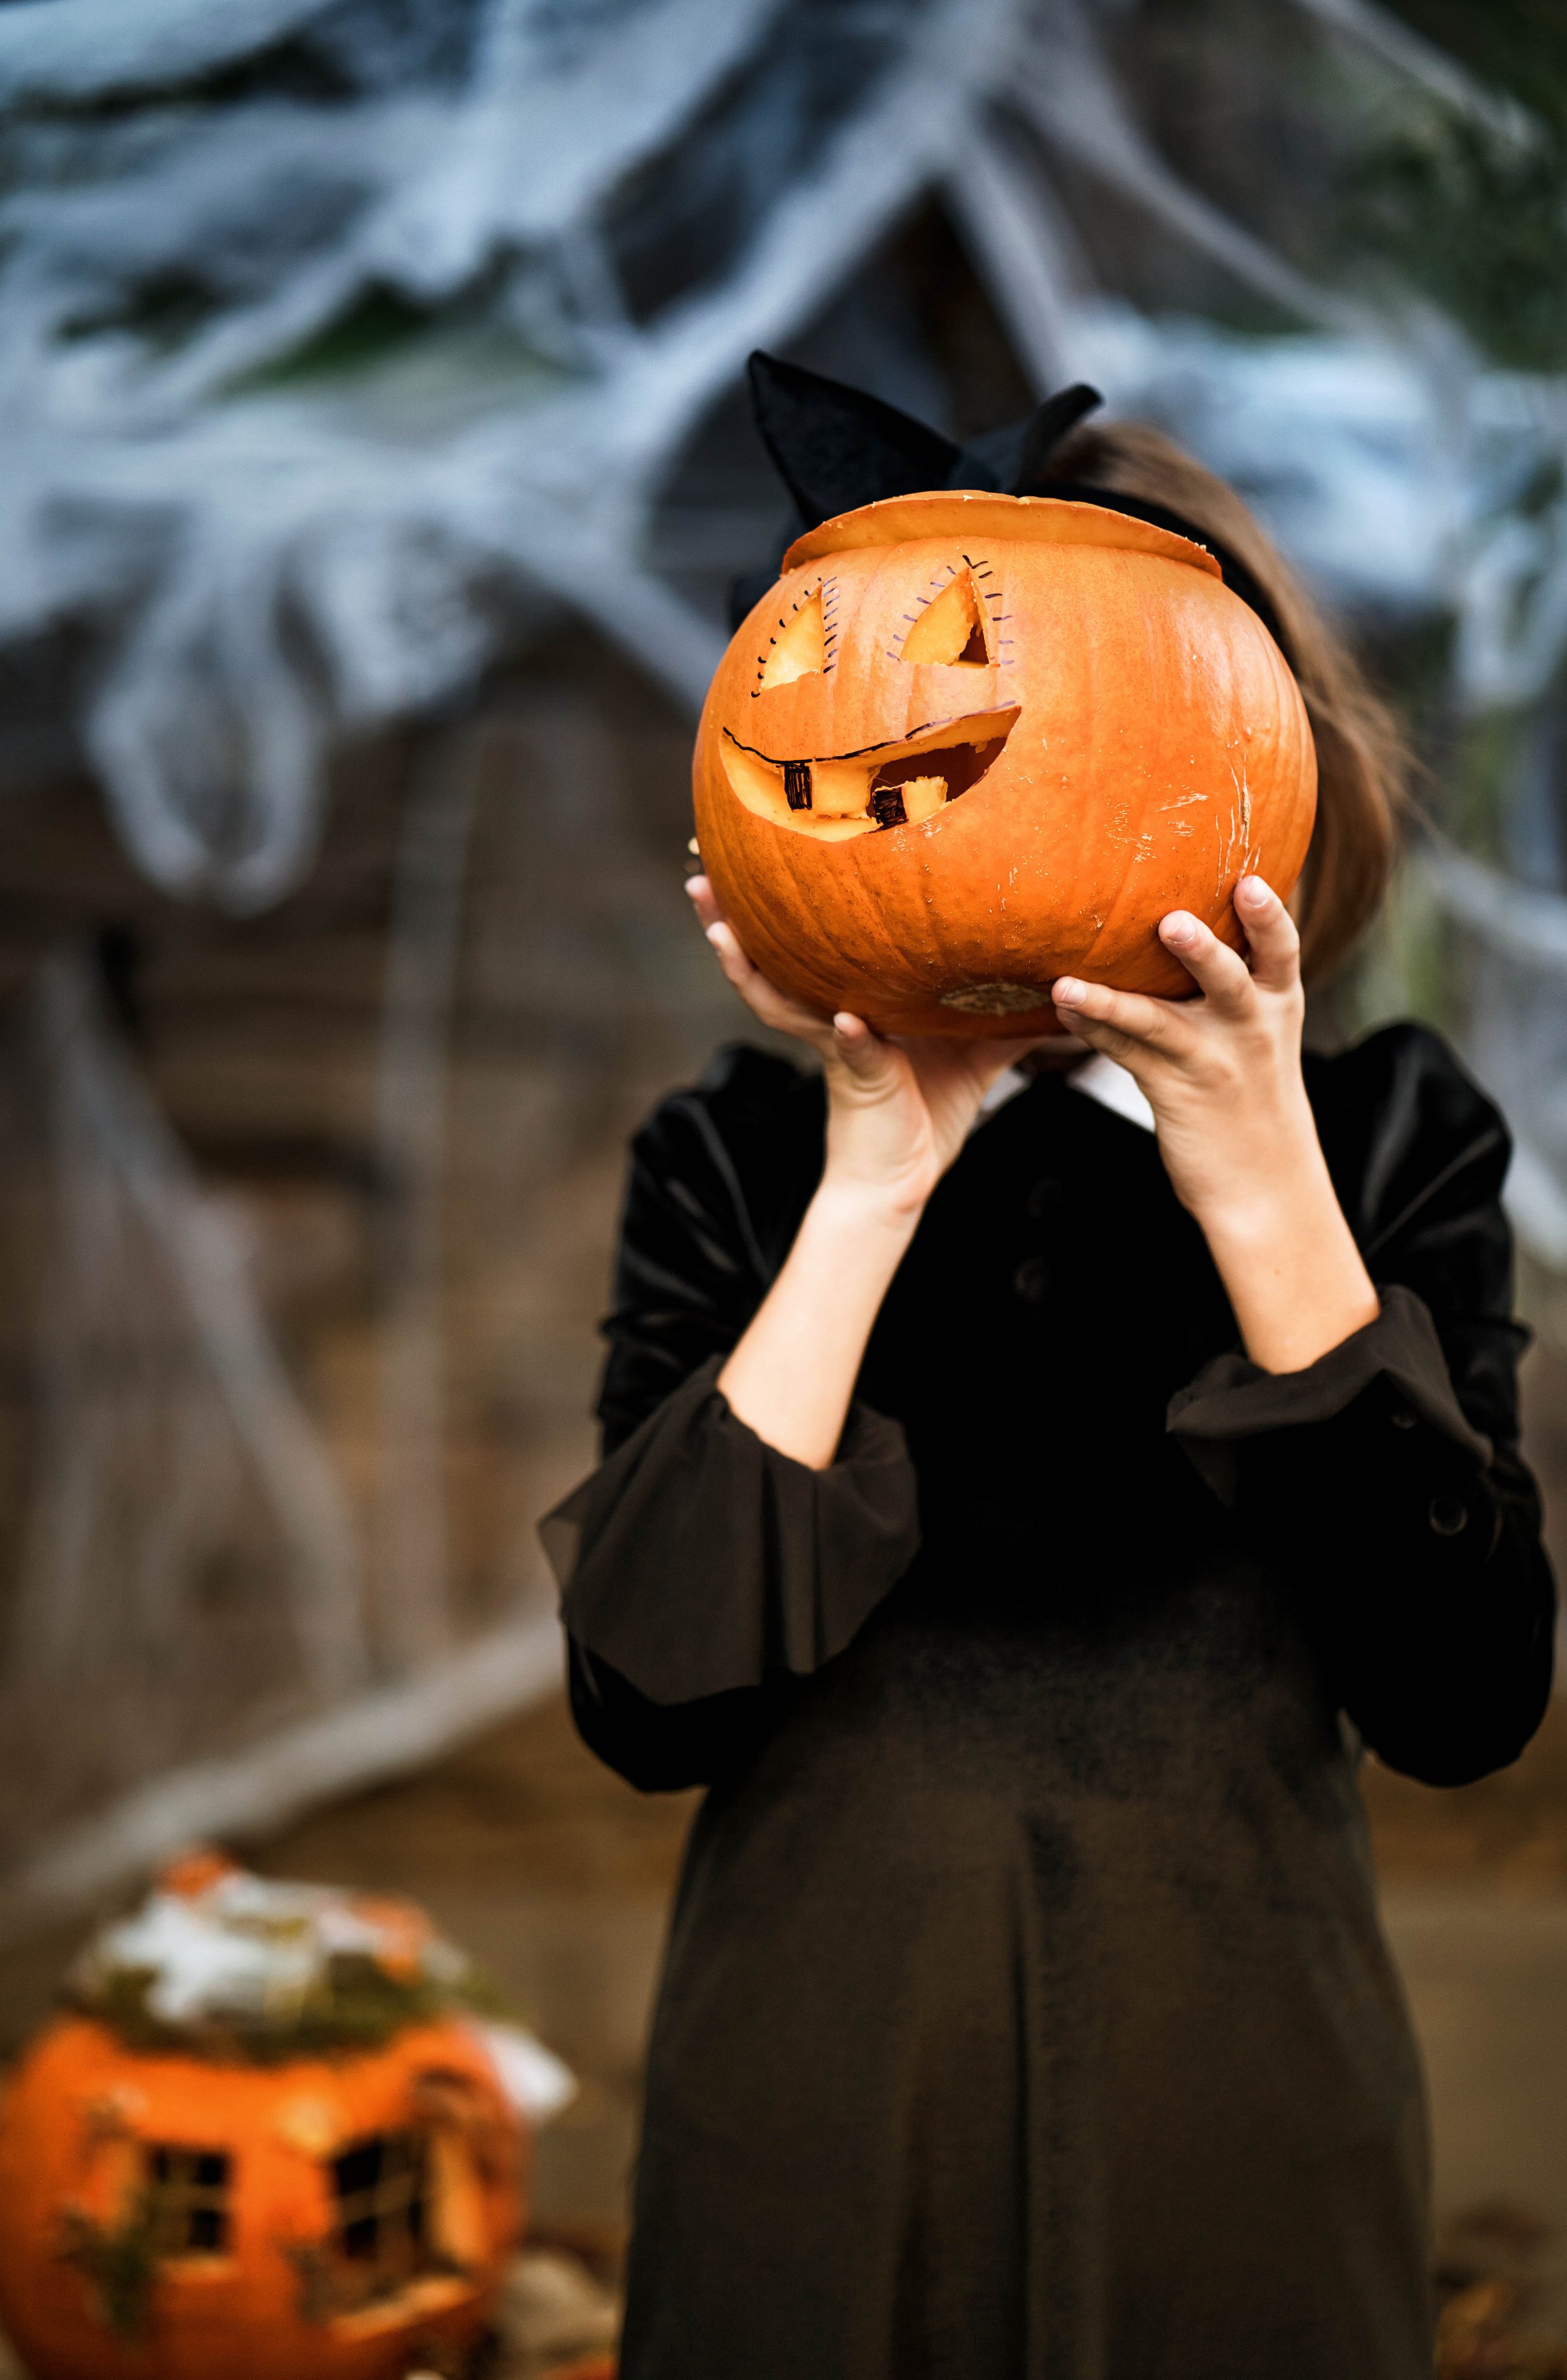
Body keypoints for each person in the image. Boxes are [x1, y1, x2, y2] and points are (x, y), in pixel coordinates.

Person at [538, 361, 1556, 2380]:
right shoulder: (739, 1159)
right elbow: (644, 1701)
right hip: (818, 2088)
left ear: (1237, 743)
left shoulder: (1385, 1139)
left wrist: (1261, 1181)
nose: (945, 746)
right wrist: (874, 1184)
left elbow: (1463, 1694)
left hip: (1238, 2097)